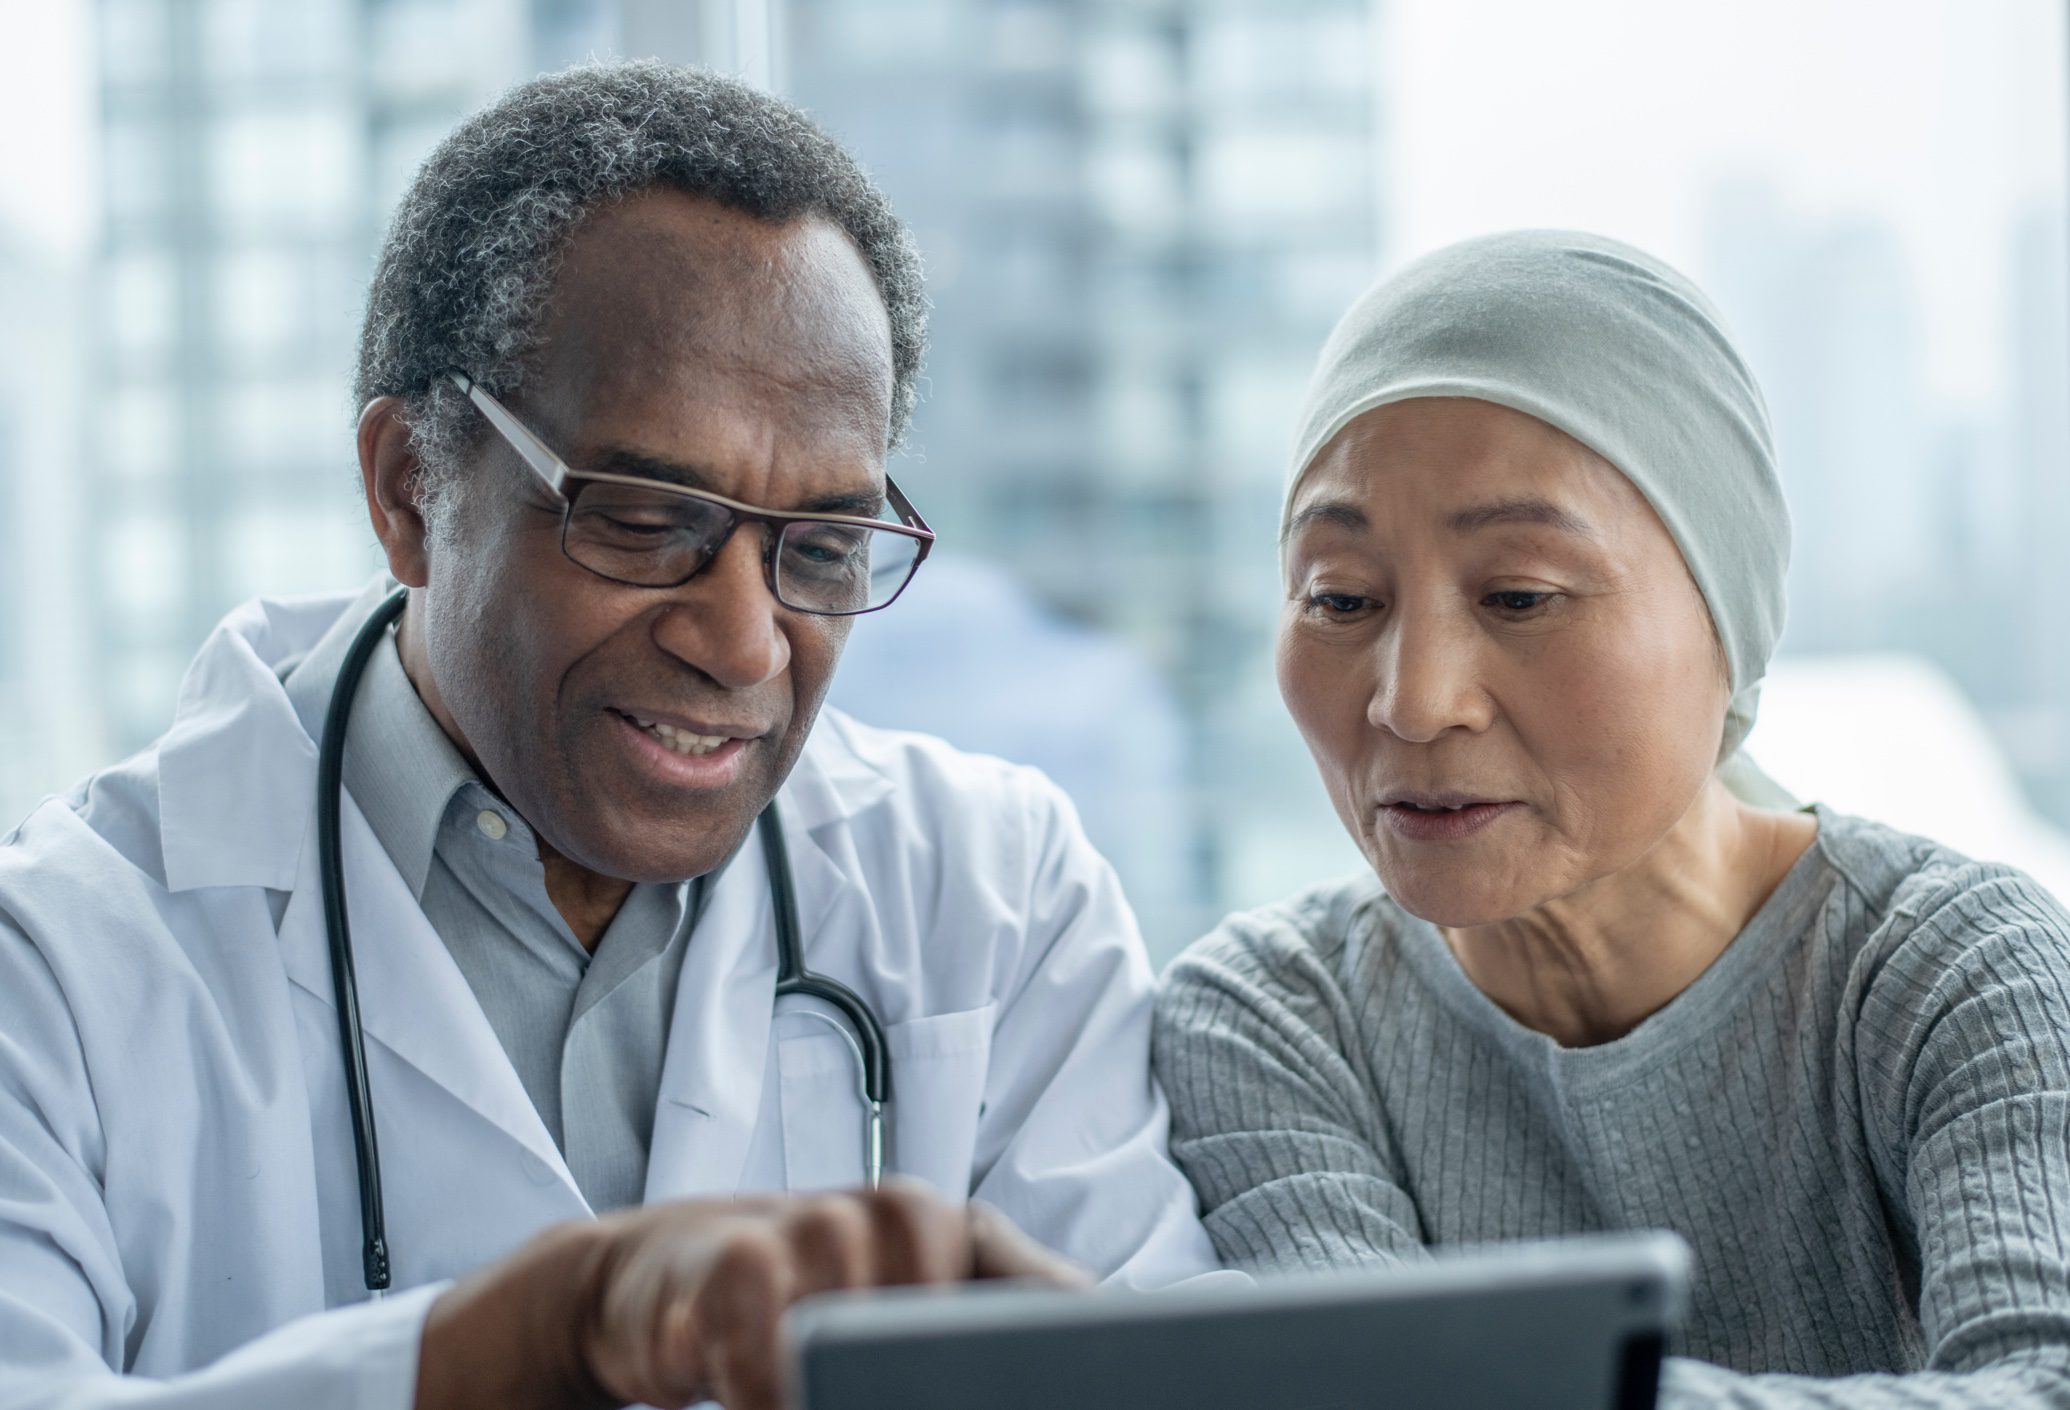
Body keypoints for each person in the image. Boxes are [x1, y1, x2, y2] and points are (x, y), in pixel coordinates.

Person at [0, 62, 1218, 1410]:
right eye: (644, 517)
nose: (745, 642)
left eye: (820, 546)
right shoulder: (56, 963)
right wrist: (529, 1337)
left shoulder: (993, 898)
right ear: (409, 487)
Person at [1154, 230, 2070, 1405]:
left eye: (1521, 595)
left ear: (1725, 623)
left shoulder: (1955, 973)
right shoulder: (1275, 1016)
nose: (1414, 700)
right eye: (1340, 598)